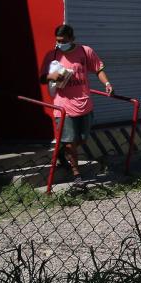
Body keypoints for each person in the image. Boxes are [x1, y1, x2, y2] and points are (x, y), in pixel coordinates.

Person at [40, 24, 112, 190]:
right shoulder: (52, 55)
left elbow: (98, 68)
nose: (60, 44)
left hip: (84, 103)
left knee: (82, 139)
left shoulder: (85, 51)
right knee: (71, 143)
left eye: (64, 41)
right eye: (58, 41)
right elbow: (42, 78)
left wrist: (107, 83)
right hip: (63, 106)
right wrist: (52, 76)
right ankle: (77, 175)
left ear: (72, 39)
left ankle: (61, 152)